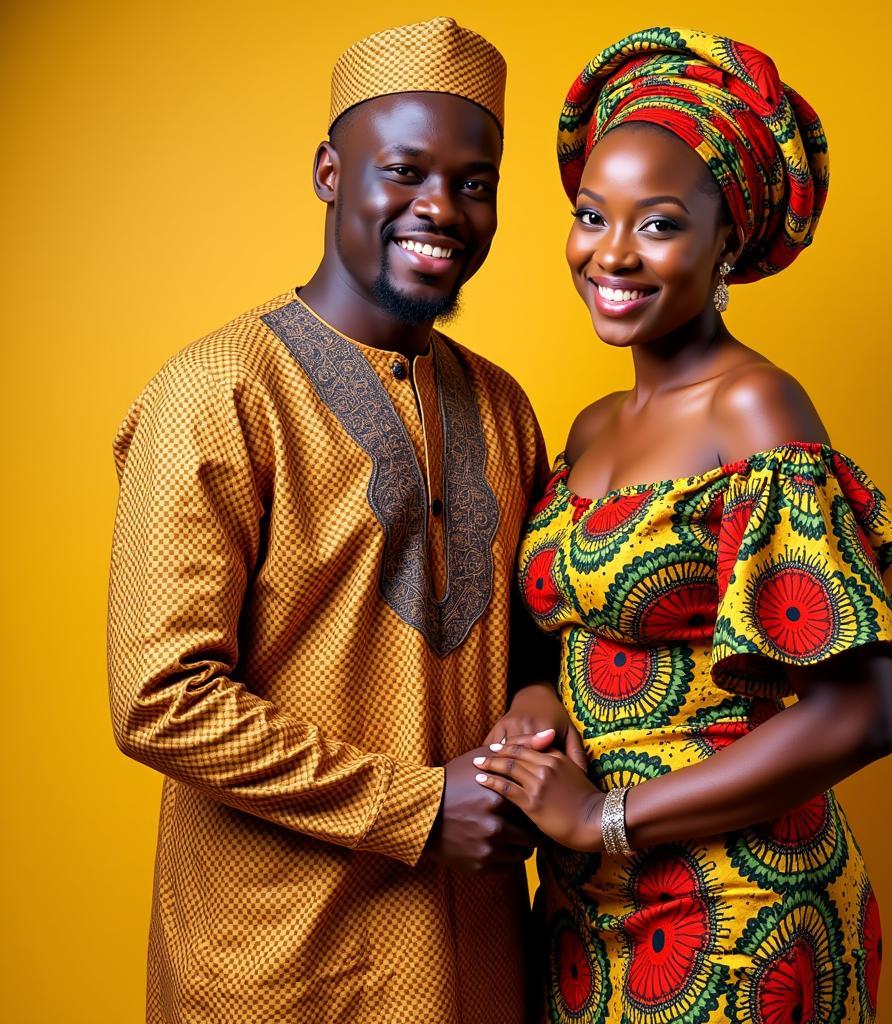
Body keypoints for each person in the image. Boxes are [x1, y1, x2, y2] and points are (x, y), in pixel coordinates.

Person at [471, 27, 892, 1023]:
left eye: (657, 224)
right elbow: (566, 632)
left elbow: (857, 713)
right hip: (584, 906)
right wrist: (536, 706)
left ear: (726, 237)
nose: (610, 253)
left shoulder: (758, 413)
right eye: (589, 215)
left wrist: (602, 814)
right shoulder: (592, 426)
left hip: (739, 903)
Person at [106, 17, 574, 1024]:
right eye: (402, 170)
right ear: (329, 170)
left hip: (479, 957)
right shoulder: (219, 390)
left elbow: (533, 631)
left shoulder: (502, 405)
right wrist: (421, 805)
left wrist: (536, 711)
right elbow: (159, 697)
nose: (440, 208)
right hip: (282, 967)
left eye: (475, 180)